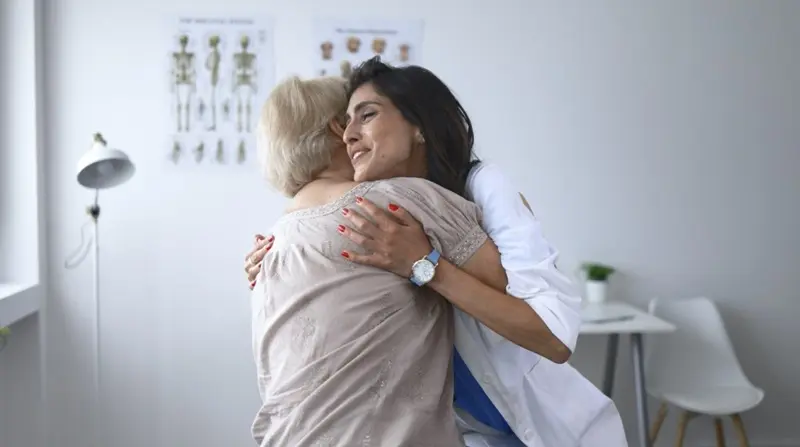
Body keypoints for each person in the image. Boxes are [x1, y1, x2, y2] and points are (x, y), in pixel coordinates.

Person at [246, 58, 627, 447]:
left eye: (367, 116)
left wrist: (425, 264)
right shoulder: (371, 212)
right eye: (346, 123)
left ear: (418, 126)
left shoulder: (465, 190)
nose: (350, 135)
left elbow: (550, 333)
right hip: (472, 428)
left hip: (540, 427)